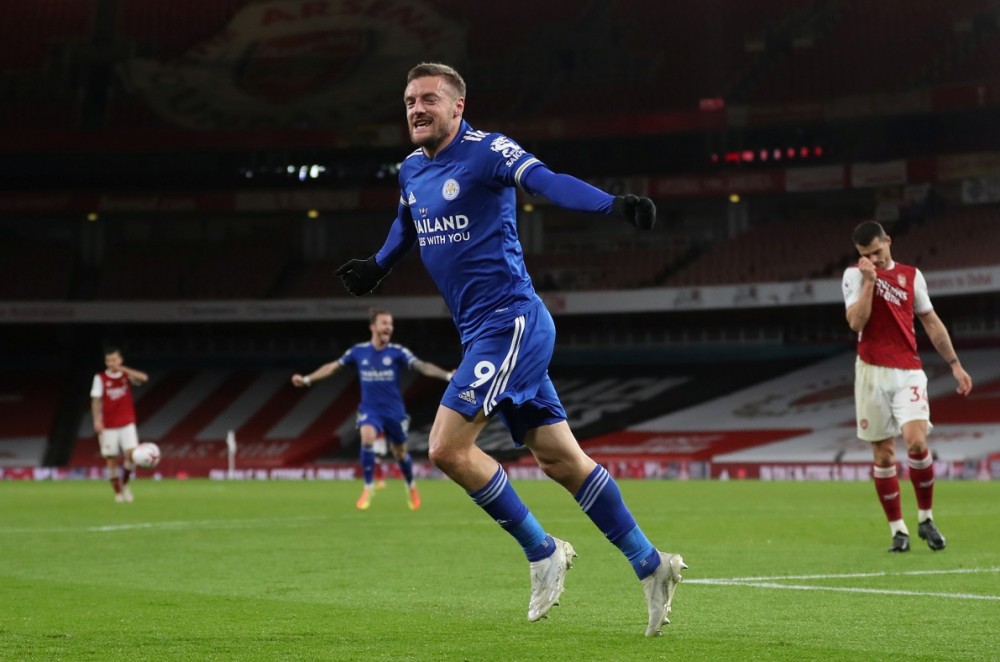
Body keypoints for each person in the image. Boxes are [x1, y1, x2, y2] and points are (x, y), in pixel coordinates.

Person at [335, 62, 685, 637]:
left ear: (457, 107)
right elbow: (407, 223)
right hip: (481, 333)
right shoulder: (410, 169)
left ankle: (542, 550)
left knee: (447, 448)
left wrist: (611, 205)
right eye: (408, 101)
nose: (416, 109)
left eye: (428, 99)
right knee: (560, 461)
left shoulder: (488, 150)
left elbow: (545, 180)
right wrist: (377, 267)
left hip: (513, 322)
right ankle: (653, 565)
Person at [843, 221, 973, 552]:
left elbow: (930, 321)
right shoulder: (853, 277)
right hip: (871, 370)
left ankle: (926, 519)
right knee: (884, 454)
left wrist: (955, 364)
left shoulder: (912, 276)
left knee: (916, 443)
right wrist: (869, 282)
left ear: (888, 241)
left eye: (877, 251)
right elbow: (856, 322)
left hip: (908, 371)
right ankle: (898, 530)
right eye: (865, 255)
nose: (872, 258)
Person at [291, 307, 453, 511]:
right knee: (367, 438)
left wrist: (447, 376)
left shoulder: (397, 352)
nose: (389, 327)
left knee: (400, 452)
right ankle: (368, 487)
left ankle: (410, 485)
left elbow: (422, 366)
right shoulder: (358, 352)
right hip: (370, 409)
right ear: (373, 326)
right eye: (385, 323)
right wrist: (307, 379)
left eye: (391, 324)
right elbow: (332, 367)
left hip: (394, 411)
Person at [91, 346, 149, 503]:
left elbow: (144, 378)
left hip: (127, 423)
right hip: (109, 425)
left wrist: (123, 369)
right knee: (111, 460)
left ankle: (125, 484)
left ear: (120, 360)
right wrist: (97, 420)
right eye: (108, 360)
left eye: (114, 360)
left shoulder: (126, 375)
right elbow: (96, 400)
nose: (111, 363)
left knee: (132, 455)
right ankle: (117, 493)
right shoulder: (100, 378)